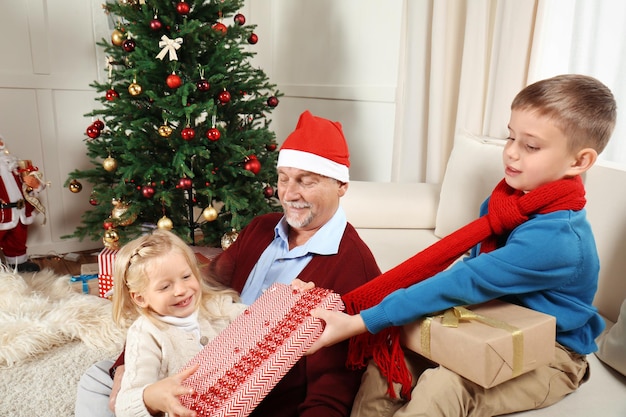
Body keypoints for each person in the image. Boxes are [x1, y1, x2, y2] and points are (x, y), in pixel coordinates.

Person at [307, 74, 616, 417]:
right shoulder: (507, 202)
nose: (511, 152)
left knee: (446, 387)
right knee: (390, 359)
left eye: (530, 146)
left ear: (579, 161)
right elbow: (470, 272)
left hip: (552, 353)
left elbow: (467, 280)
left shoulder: (557, 240)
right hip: (487, 322)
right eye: (510, 136)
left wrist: (363, 320)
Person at [75, 110, 382, 417]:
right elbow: (202, 288)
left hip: (256, 397)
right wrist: (126, 366)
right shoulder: (263, 228)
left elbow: (335, 381)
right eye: (284, 178)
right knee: (99, 379)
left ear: (341, 184)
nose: (289, 194)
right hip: (199, 361)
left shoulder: (354, 265)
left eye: (306, 181)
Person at [110, 229, 247, 416]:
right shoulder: (145, 333)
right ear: (141, 298)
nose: (181, 290)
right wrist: (151, 397)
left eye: (186, 277)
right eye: (165, 286)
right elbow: (124, 406)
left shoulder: (217, 304)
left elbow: (256, 319)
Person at [0, 135, 46, 272]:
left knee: (17, 238)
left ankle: (18, 263)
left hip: (19, 210)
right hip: (3, 212)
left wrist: (34, 184)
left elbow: (29, 185)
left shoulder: (13, 164)